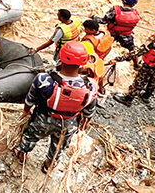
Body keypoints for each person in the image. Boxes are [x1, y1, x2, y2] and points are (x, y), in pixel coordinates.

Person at [12, 41, 96, 173]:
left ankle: (22, 154)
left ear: (60, 58)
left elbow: (30, 99)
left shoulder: (43, 79)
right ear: (83, 62)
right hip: (68, 122)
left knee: (30, 135)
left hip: (43, 118)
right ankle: (48, 165)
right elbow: (89, 111)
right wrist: (84, 123)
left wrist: (25, 113)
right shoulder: (90, 85)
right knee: (59, 146)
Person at [93, 0, 140, 66]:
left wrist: (93, 17)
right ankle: (136, 65)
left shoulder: (115, 10)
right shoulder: (135, 13)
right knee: (132, 49)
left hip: (112, 33)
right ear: (134, 4)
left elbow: (103, 21)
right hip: (126, 35)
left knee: (105, 46)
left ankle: (98, 62)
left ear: (123, 1)